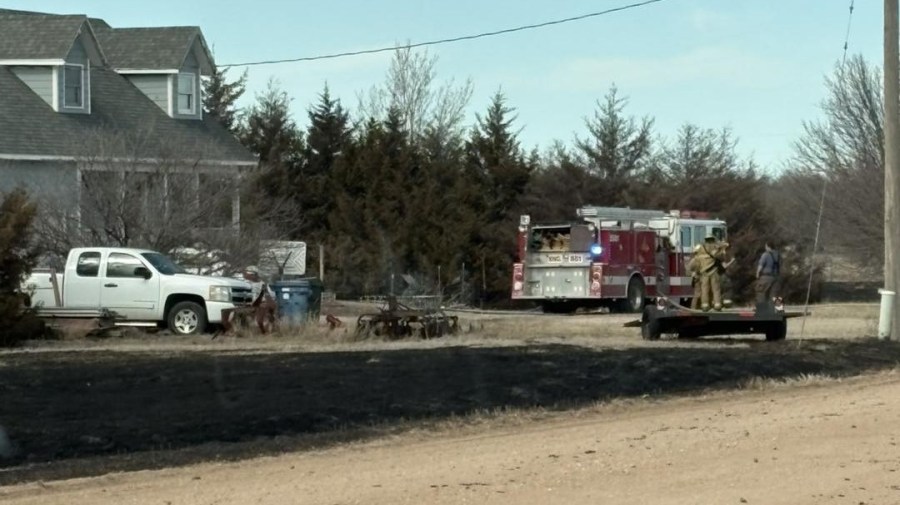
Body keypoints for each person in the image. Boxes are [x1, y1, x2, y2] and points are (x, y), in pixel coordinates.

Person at [755, 240, 781, 304]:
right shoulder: (778, 255)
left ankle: (762, 310)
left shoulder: (765, 255)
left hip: (766, 276)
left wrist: (757, 273)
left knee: (761, 293)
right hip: (776, 276)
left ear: (768, 247)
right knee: (774, 295)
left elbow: (761, 265)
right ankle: (777, 311)